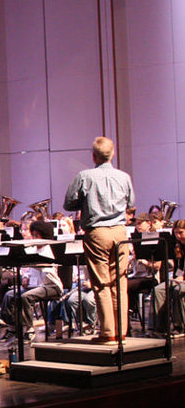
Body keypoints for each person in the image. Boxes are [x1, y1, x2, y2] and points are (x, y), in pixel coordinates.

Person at [64, 136, 135, 343]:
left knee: (102, 284)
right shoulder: (124, 177)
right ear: (113, 154)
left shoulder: (84, 176)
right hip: (121, 231)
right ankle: (121, 331)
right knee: (119, 282)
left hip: (97, 233)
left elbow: (69, 204)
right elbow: (131, 203)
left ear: (93, 156)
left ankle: (107, 332)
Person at [152, 220, 185, 336]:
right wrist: (176, 277)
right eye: (176, 233)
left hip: (183, 281)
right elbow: (178, 268)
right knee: (158, 290)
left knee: (179, 290)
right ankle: (160, 327)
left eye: (181, 232)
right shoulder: (178, 246)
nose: (178, 236)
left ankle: (180, 327)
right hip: (179, 278)